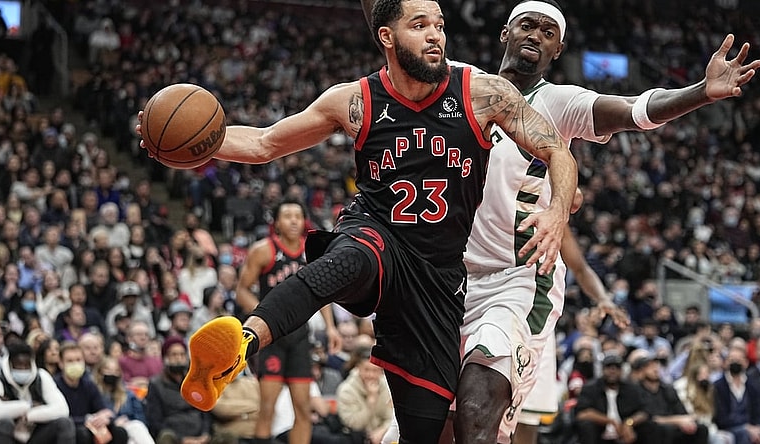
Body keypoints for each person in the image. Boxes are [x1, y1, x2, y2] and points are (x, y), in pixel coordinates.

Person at [139, 1, 579, 442]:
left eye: (440, 26)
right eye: (420, 25)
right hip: (378, 233)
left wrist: (557, 211)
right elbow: (264, 143)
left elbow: (557, 151)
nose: (436, 36)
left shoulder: (484, 93)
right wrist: (185, 143)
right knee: (351, 259)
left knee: (425, 430)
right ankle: (241, 344)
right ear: (387, 37)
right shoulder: (354, 100)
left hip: (438, 279)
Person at [355, 0, 760, 442]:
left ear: (558, 49)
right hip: (444, 283)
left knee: (476, 409)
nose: (535, 35)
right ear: (504, 34)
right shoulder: (459, 81)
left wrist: (701, 90)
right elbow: (394, 34)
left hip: (518, 281)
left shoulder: (559, 101)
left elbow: (637, 111)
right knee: (428, 431)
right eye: (526, 26)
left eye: (548, 33)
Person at [235, 199, 342, 444]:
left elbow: (322, 293)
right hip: (270, 338)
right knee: (268, 407)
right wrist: (266, 315)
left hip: (299, 337)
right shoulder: (263, 250)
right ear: (276, 223)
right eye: (287, 216)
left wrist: (331, 327)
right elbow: (242, 291)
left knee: (303, 408)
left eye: (298, 215)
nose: (294, 220)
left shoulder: (313, 250)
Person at [0, 341, 75, 444]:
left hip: (35, 434)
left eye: (26, 366)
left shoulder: (41, 376)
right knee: (4, 423)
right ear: (9, 365)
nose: (23, 370)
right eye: (18, 366)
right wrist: (29, 406)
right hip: (7, 435)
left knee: (65, 423)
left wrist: (27, 415)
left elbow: (62, 409)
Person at [574, 352, 659, 444]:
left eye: (617, 367)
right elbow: (582, 413)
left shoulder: (632, 389)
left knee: (650, 426)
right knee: (587, 425)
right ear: (602, 370)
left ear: (622, 370)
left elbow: (645, 411)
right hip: (600, 430)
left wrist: (629, 423)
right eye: (609, 367)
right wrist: (610, 421)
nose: (612, 371)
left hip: (626, 431)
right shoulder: (590, 388)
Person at [54, 342, 129, 444]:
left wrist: (105, 418)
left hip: (91, 425)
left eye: (78, 360)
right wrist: (86, 420)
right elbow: (59, 419)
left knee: (119, 432)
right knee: (82, 433)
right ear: (61, 363)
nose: (75, 364)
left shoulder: (88, 384)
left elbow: (103, 410)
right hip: (70, 429)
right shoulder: (54, 385)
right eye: (70, 361)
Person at [144, 336, 212, 444]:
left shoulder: (195, 380)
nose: (178, 358)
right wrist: (182, 440)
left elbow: (205, 412)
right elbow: (155, 421)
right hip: (174, 436)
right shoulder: (156, 384)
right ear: (165, 358)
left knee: (226, 435)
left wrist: (205, 434)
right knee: (166, 437)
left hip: (199, 433)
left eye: (182, 354)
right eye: (174, 355)